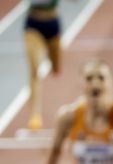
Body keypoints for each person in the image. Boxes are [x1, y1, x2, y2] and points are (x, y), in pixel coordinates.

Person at [24, 0, 64, 130]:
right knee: (34, 70)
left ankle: (54, 62)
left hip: (53, 23)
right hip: (33, 24)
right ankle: (35, 115)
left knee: (56, 69)